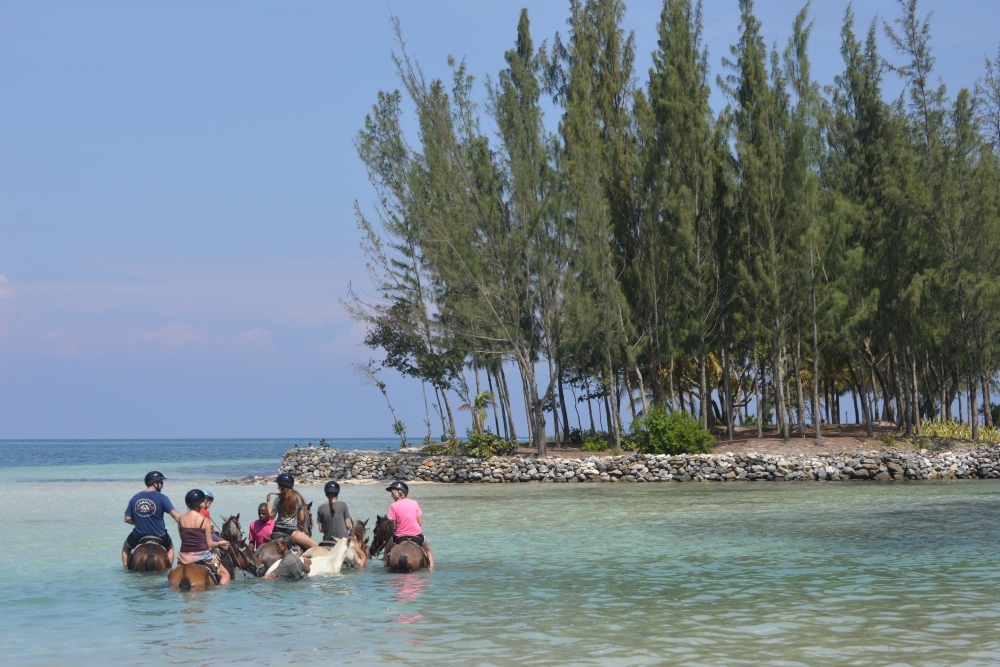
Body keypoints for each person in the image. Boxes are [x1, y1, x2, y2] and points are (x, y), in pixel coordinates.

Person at [122, 471, 181, 569]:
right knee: (170, 547)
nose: (162, 485)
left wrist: (141, 520)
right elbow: (176, 516)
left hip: (139, 535)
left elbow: (127, 519)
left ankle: (126, 568)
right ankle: (169, 569)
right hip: (160, 535)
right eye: (161, 482)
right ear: (155, 483)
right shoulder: (163, 498)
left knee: (126, 547)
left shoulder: (135, 498)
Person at [177, 489, 231, 585]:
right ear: (200, 503)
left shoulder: (181, 519)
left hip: (184, 556)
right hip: (202, 555)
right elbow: (210, 545)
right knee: (225, 575)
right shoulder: (204, 520)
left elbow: (183, 539)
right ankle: (217, 590)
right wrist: (221, 543)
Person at [385, 480, 434, 570]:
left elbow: (394, 527)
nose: (391, 495)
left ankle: (386, 565)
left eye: (392, 493)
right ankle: (431, 570)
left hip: (399, 536)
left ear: (398, 493)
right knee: (428, 551)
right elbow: (420, 523)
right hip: (417, 534)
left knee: (387, 550)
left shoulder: (393, 506)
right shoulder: (414, 503)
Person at [318, 480, 366, 567]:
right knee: (363, 557)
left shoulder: (320, 508)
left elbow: (321, 530)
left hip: (326, 543)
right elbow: (348, 526)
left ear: (325, 493)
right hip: (342, 542)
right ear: (337, 493)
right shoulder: (343, 505)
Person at [265, 473, 318, 549]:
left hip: (276, 531)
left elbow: (271, 516)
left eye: (278, 485)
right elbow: (302, 519)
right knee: (314, 546)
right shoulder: (298, 498)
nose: (277, 487)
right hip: (290, 531)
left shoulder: (278, 499)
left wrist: (268, 501)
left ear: (282, 486)